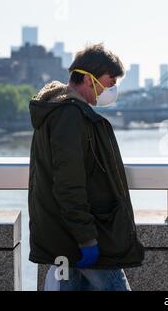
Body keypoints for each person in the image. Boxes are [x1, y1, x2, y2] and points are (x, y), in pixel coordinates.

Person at [28, 44, 145, 291]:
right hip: (82, 237)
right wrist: (87, 238)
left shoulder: (60, 111)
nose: (112, 89)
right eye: (110, 82)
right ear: (89, 78)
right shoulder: (69, 116)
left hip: (66, 234)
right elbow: (68, 184)